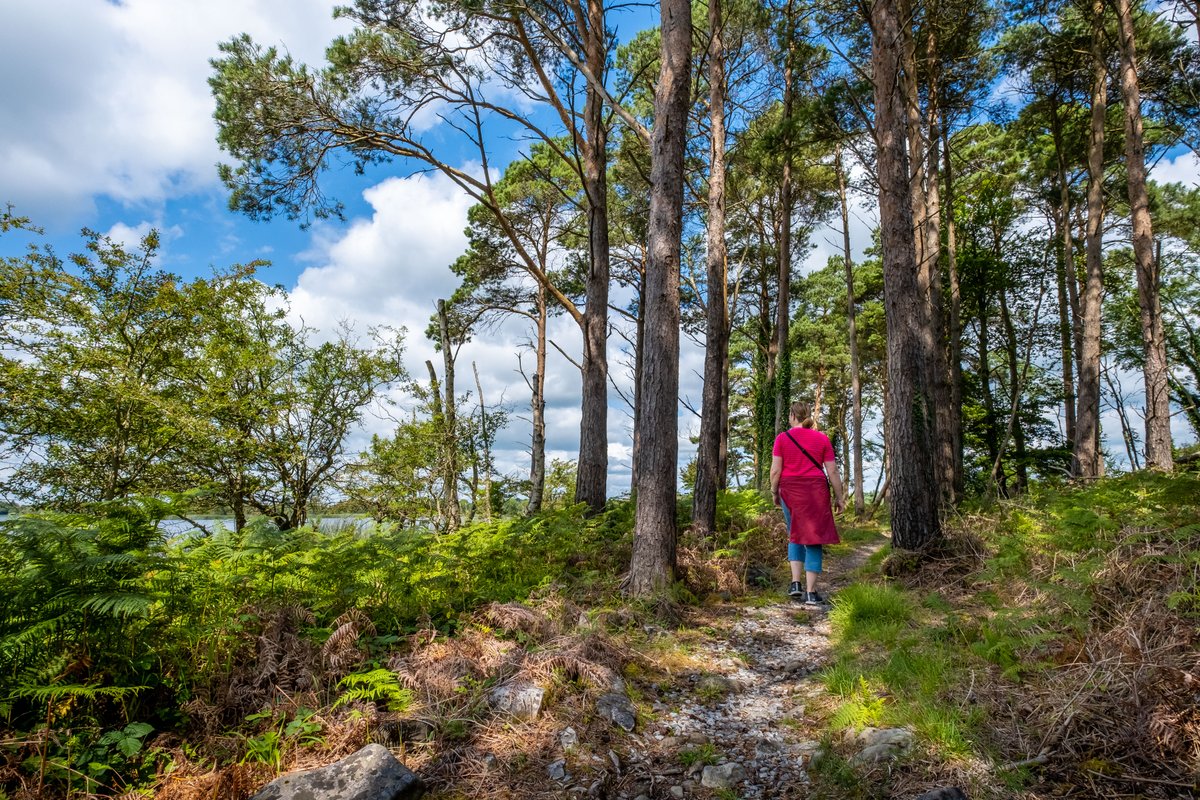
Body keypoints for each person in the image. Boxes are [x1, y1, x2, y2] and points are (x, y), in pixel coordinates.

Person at [769, 401, 847, 605]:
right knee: (814, 538)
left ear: (792, 415)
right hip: (816, 491)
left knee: (794, 532)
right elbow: (833, 472)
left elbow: (775, 471)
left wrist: (774, 492)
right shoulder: (821, 439)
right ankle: (811, 593)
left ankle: (795, 584)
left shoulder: (782, 438)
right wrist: (840, 498)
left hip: (790, 490)